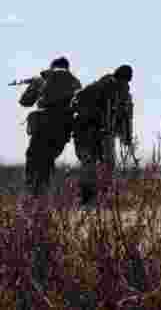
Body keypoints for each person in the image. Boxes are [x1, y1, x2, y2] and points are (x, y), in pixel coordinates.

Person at [16, 56, 82, 196]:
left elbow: (25, 102)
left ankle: (33, 196)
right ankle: (45, 195)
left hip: (43, 127)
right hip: (63, 129)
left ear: (52, 66)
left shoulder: (44, 78)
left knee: (34, 159)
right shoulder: (76, 82)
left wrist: (34, 85)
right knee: (48, 160)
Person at [72, 64, 134, 207]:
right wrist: (127, 139)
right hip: (101, 133)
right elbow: (125, 117)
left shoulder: (99, 85)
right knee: (106, 165)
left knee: (90, 166)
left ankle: (88, 200)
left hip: (84, 132)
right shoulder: (117, 90)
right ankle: (100, 199)